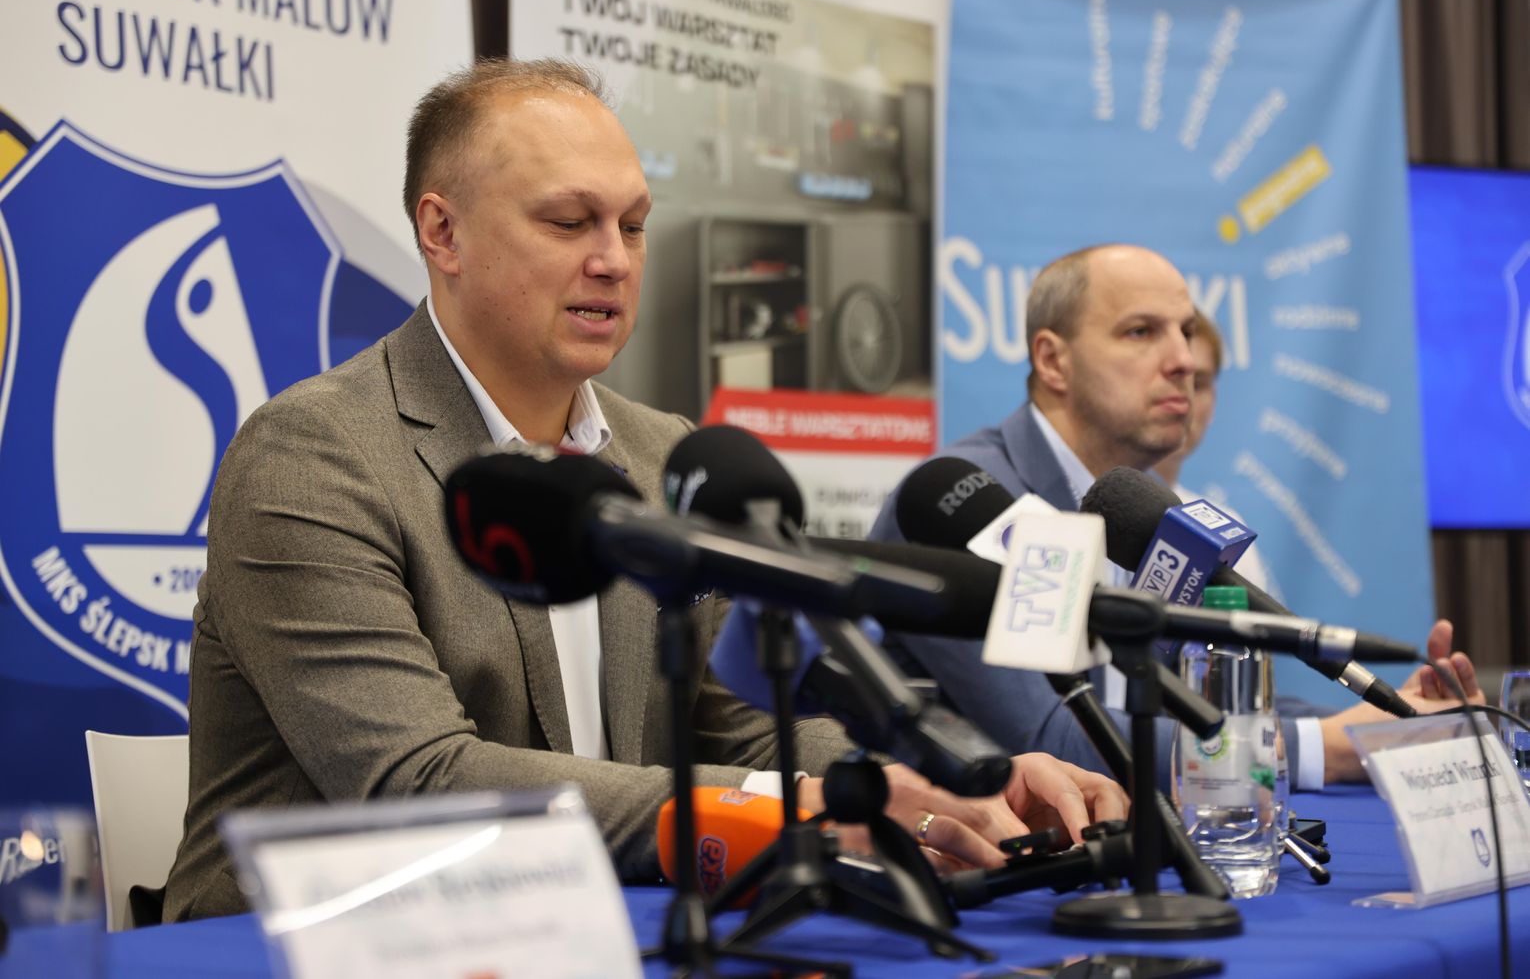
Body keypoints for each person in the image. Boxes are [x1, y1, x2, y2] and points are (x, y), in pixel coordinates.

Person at [161, 60, 1125, 921]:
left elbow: (745, 729)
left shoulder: (670, 458)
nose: (615, 260)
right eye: (568, 222)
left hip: (583, 925)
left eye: (632, 226)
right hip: (308, 940)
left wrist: (934, 786)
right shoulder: (312, 455)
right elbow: (417, 779)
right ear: (442, 231)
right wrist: (784, 810)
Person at [867, 243, 1481, 790]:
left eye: (1185, 331)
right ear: (1053, 362)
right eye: (1141, 332)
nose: (1184, 360)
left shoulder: (1145, 509)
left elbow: (1200, 708)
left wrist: (1393, 722)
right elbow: (1055, 739)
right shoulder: (968, 503)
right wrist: (1331, 748)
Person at [1153, 308, 1275, 595]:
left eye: (1198, 384)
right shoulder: (1068, 511)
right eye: (1170, 378)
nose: (1183, 398)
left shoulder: (1224, 532)